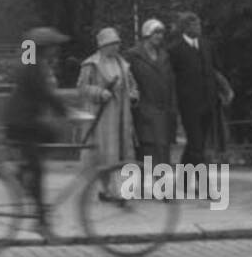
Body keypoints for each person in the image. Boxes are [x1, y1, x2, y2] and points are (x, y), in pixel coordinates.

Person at [3, 27, 69, 232]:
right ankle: (40, 220)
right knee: (39, 166)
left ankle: (26, 171)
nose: (56, 50)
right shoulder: (32, 66)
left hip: (23, 120)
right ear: (44, 48)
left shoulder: (31, 62)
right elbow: (44, 93)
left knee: (45, 145)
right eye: (52, 46)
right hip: (22, 123)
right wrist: (64, 111)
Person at [77, 27, 138, 192]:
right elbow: (82, 88)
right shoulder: (91, 64)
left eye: (117, 43)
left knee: (123, 151)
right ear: (103, 45)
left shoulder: (123, 64)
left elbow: (132, 84)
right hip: (102, 115)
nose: (116, 47)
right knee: (105, 153)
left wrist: (133, 94)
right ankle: (107, 188)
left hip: (122, 114)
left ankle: (123, 187)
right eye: (112, 44)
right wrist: (99, 92)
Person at [168, 12, 230, 165]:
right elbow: (171, 79)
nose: (198, 27)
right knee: (196, 145)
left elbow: (215, 71)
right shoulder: (174, 50)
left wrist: (225, 90)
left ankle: (182, 183)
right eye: (193, 24)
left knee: (198, 144)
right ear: (184, 28)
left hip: (209, 103)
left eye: (198, 24)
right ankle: (203, 185)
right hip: (189, 106)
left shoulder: (207, 45)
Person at [126, 19, 176, 169]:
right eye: (156, 32)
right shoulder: (133, 55)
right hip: (142, 110)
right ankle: (143, 188)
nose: (160, 36)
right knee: (145, 150)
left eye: (161, 33)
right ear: (147, 34)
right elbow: (126, 80)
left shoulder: (165, 56)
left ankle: (161, 189)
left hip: (164, 110)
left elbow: (171, 84)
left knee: (163, 150)